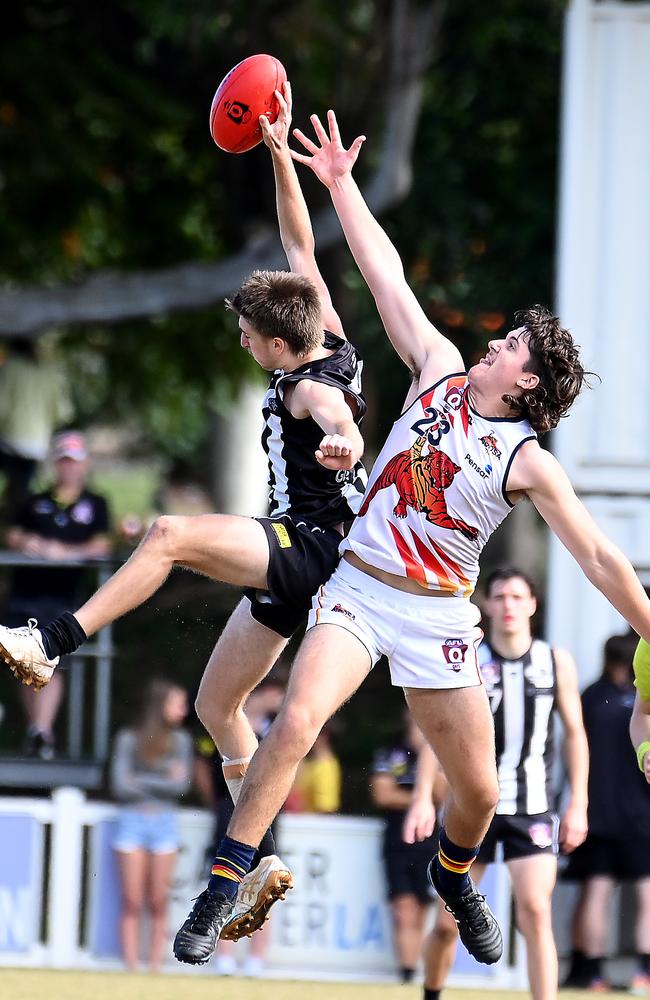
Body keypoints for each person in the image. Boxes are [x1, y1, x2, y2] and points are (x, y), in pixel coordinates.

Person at [170, 103, 650, 971]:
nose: (493, 343)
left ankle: (456, 875)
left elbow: (597, 555)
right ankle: (220, 888)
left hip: (436, 618)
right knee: (295, 723)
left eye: (509, 347)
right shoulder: (437, 370)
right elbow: (385, 275)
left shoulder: (527, 458)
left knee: (479, 792)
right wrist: (344, 188)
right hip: (357, 587)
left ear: (526, 383)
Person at [0, 83, 366, 935]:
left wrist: (345, 441)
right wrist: (279, 153)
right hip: (307, 559)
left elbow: (334, 418)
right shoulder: (329, 337)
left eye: (247, 336)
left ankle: (50, 641)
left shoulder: (314, 388)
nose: (242, 343)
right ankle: (258, 859)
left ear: (278, 345)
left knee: (166, 535)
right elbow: (300, 240)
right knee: (214, 707)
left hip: (309, 547)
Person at [414, 567, 588, 1000]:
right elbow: (437, 731)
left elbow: (576, 735)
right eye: (500, 597)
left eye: (517, 597)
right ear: (487, 604)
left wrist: (578, 802)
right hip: (472, 806)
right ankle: (432, 993)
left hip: (532, 805)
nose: (508, 605)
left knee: (535, 910)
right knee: (445, 922)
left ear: (531, 604)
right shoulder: (470, 656)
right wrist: (421, 798)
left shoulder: (555, 661)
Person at [4, 429, 111, 758]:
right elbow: (11, 533)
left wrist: (63, 551)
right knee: (20, 657)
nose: (68, 468)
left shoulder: (95, 503)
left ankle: (41, 730)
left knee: (53, 658)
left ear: (84, 465)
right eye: (63, 461)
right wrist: (28, 543)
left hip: (64, 598)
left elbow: (103, 544)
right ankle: (37, 730)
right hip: (26, 594)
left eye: (74, 462)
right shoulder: (35, 501)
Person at [562, 632, 650, 993]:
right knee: (648, 894)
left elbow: (571, 748)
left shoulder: (591, 697)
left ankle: (591, 972)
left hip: (596, 812)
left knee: (595, 891)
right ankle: (644, 973)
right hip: (641, 813)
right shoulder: (641, 703)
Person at [110, 678, 192, 972]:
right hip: (130, 822)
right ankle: (131, 966)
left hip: (165, 824)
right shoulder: (129, 738)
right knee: (131, 900)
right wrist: (162, 780)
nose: (184, 710)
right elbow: (120, 785)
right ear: (161, 706)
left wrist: (139, 780)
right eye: (178, 704)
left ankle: (156, 967)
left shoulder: (181, 741)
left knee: (158, 901)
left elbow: (181, 785)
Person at [370, 711, 440, 984]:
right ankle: (407, 972)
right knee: (403, 907)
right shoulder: (391, 752)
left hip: (430, 840)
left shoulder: (440, 752)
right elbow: (382, 794)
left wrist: (427, 762)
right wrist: (421, 797)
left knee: (422, 908)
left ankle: (416, 971)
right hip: (397, 839)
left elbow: (442, 795)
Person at [0, 337, 73, 521]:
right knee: (21, 489)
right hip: (36, 446)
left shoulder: (11, 369)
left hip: (9, 442)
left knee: (16, 489)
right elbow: (63, 413)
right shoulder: (51, 373)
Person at [287, 719, 342, 814]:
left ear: (324, 736)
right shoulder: (310, 763)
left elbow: (325, 810)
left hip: (309, 826)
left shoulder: (325, 767)